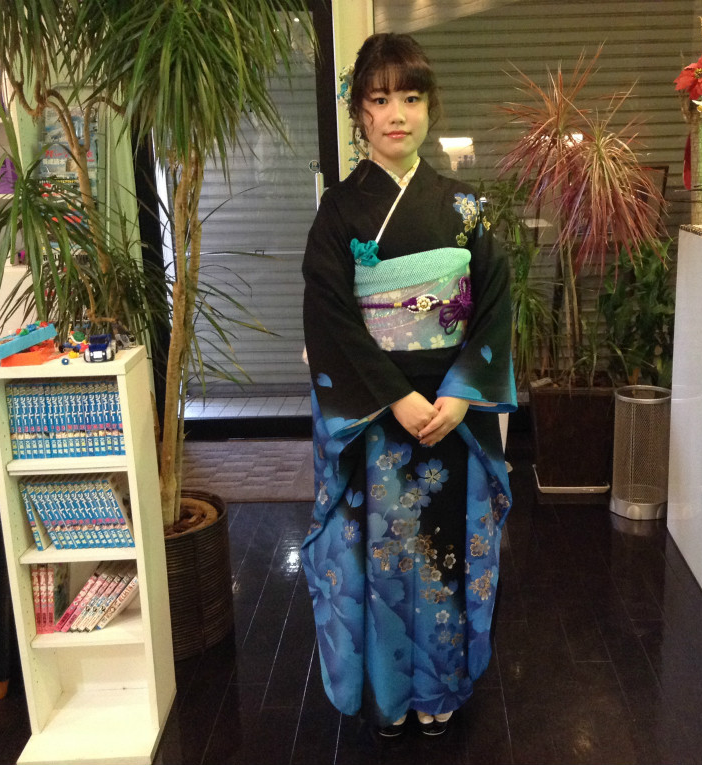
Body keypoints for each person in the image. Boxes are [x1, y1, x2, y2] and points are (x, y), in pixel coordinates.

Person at [300, 32, 516, 738]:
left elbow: (494, 303)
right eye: (381, 99)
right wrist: (396, 397)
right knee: (384, 559)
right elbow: (330, 316)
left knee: (447, 554)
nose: (397, 114)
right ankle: (389, 694)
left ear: (430, 107)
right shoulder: (340, 211)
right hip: (378, 413)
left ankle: (439, 688)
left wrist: (461, 393)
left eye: (412, 98)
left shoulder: (465, 207)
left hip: (452, 410)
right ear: (358, 112)